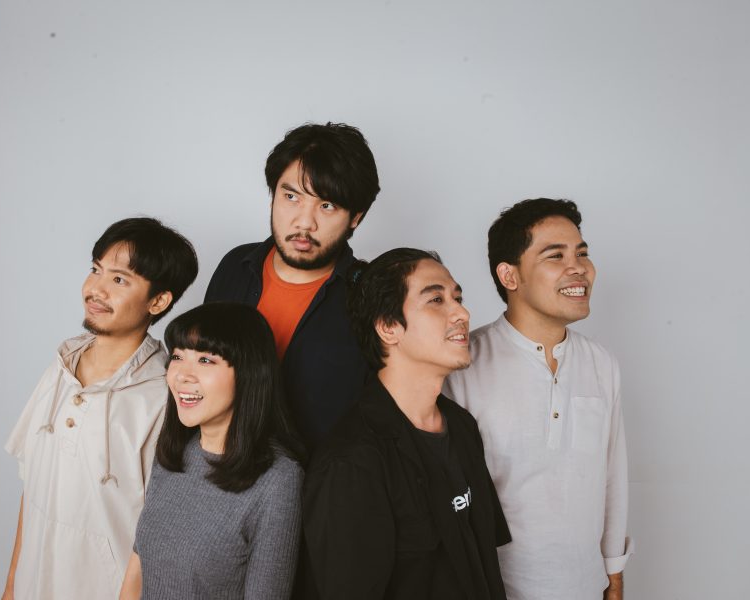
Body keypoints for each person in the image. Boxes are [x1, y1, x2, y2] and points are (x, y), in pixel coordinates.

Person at [444, 198, 633, 600]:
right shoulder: (463, 363)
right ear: (509, 275)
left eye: (582, 253)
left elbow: (613, 475)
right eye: (556, 255)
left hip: (587, 586)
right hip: (496, 588)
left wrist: (613, 572)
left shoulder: (601, 363)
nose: (578, 267)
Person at [2, 217, 198, 600]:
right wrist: (12, 585)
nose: (96, 289)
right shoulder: (61, 366)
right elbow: (32, 489)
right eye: (96, 270)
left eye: (119, 279)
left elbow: (163, 532)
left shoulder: (164, 396)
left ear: (158, 301)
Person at [301, 248, 510, 599]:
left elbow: (485, 558)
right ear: (388, 327)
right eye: (436, 300)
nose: (462, 313)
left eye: (458, 298)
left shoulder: (462, 426)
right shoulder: (351, 462)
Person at [204, 121, 380, 450]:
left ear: (355, 217)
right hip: (217, 468)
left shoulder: (372, 296)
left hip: (315, 478)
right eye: (291, 196)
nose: (304, 222)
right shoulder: (235, 266)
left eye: (327, 205)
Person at [120, 302, 304, 600]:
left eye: (205, 360)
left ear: (248, 373)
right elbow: (137, 569)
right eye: (177, 356)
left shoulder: (278, 480)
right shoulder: (173, 451)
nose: (182, 375)